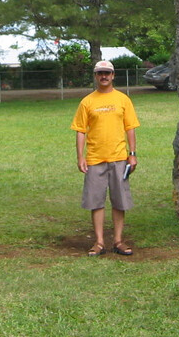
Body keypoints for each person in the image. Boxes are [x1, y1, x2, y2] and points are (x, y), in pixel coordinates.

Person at [70, 60, 139, 256]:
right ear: (95, 76)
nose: (104, 76)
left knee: (119, 201)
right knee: (96, 201)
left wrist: (132, 154)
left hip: (119, 157)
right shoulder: (87, 102)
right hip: (95, 158)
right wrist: (80, 156)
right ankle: (99, 242)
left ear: (113, 75)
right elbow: (80, 131)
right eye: (100, 73)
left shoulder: (123, 100)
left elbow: (130, 127)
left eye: (107, 73)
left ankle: (118, 241)